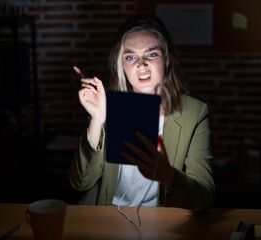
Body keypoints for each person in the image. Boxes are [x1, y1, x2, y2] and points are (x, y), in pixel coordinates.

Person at [69, 14, 215, 212]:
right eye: (130, 57)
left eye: (152, 54)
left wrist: (168, 176)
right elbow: (80, 182)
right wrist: (97, 120)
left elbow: (204, 198)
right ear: (121, 65)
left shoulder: (195, 114)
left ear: (167, 58)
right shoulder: (107, 106)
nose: (141, 64)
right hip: (106, 219)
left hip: (161, 222)